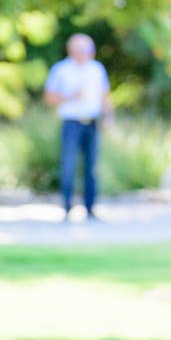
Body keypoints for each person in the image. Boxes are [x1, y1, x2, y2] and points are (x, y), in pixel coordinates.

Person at [43, 33, 113, 221]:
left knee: (92, 166)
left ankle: (90, 208)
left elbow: (104, 95)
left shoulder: (96, 69)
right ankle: (67, 207)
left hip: (91, 121)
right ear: (71, 49)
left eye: (89, 49)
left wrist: (109, 118)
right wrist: (71, 96)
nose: (86, 53)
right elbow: (49, 97)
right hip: (71, 122)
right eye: (82, 49)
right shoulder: (61, 70)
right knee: (68, 165)